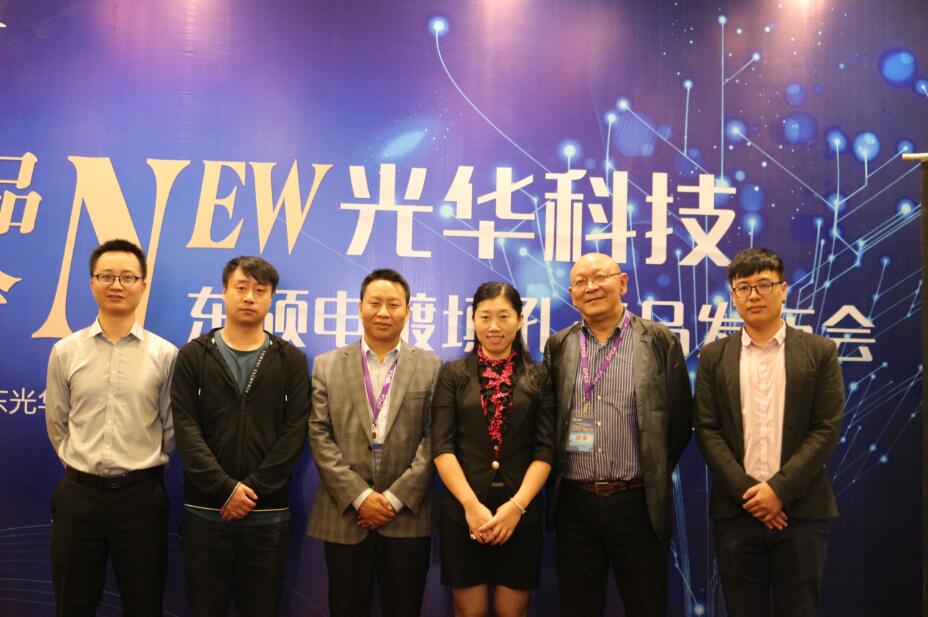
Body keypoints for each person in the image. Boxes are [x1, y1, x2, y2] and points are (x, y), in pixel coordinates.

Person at [693, 248, 844, 617]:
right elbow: (707, 430)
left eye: (764, 285)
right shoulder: (714, 356)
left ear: (784, 289)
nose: (754, 295)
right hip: (737, 514)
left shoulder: (819, 351)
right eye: (743, 287)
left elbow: (826, 427)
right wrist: (751, 495)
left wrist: (779, 490)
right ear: (733, 297)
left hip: (801, 513)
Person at [543, 252, 692, 617]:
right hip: (575, 503)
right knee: (578, 607)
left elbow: (678, 421)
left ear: (622, 283)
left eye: (600, 277)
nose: (591, 287)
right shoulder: (559, 345)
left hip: (637, 503)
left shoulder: (659, 340)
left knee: (646, 606)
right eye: (581, 282)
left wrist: (650, 471)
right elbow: (550, 421)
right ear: (571, 293)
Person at [171, 256, 311, 617]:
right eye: (241, 288)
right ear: (224, 292)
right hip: (206, 512)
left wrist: (251, 489)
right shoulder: (193, 356)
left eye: (260, 290)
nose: (250, 297)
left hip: (268, 515)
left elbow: (295, 431)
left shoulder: (290, 360)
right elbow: (186, 428)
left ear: (271, 298)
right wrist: (224, 489)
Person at [45, 238, 176, 617]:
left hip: (140, 498)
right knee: (73, 603)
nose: (117, 285)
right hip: (79, 496)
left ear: (143, 285)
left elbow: (169, 428)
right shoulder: (66, 351)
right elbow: (57, 422)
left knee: (144, 602)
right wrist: (81, 463)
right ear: (92, 283)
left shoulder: (165, 354)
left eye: (127, 277)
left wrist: (140, 468)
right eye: (107, 276)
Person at [308, 268, 442, 617]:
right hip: (345, 515)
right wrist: (360, 497)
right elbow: (318, 433)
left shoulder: (432, 367)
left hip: (407, 516)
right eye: (375, 303)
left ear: (407, 311)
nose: (383, 312)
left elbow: (435, 437)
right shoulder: (327, 365)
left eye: (393, 305)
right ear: (360, 307)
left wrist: (394, 499)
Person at [432, 281, 556, 617]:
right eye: (485, 316)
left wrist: (517, 506)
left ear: (519, 320)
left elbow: (545, 450)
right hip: (463, 514)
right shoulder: (453, 374)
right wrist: (471, 506)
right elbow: (442, 446)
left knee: (513, 612)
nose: (494, 326)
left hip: (520, 515)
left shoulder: (539, 376)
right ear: (473, 320)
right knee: (468, 612)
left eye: (504, 316)